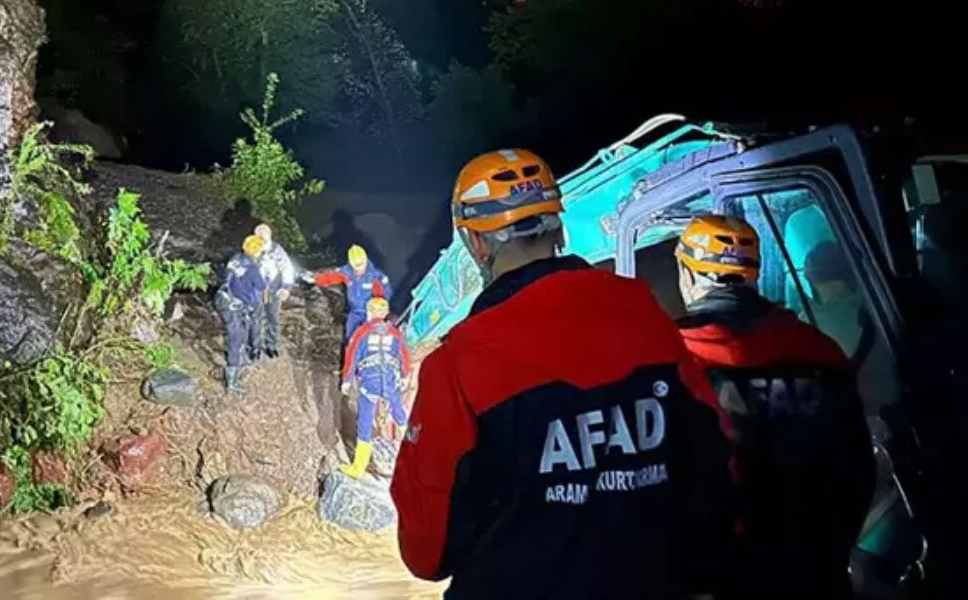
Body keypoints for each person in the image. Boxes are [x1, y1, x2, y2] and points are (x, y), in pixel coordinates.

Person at [391, 148, 731, 599]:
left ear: (476, 243)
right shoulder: (647, 318)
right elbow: (710, 468)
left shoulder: (459, 362)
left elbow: (426, 552)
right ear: (558, 225)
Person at [674, 215, 875, 599]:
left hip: (729, 576)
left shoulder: (676, 362)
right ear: (751, 274)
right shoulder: (820, 351)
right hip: (819, 568)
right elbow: (857, 466)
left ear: (687, 272)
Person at [340, 296, 411, 479]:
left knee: (364, 423)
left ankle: (358, 468)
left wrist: (346, 380)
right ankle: (411, 454)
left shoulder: (361, 332)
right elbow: (403, 355)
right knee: (400, 417)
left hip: (369, 385)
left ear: (369, 313)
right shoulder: (395, 333)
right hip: (390, 382)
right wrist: (404, 376)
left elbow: (352, 356)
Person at [215, 235, 266, 394]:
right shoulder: (252, 269)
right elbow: (261, 286)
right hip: (234, 306)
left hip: (223, 300)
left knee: (238, 334)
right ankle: (232, 380)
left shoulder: (235, 258)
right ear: (257, 252)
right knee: (236, 339)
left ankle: (238, 360)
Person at [313, 244, 391, 339]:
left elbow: (384, 297)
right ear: (351, 264)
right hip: (355, 312)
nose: (360, 269)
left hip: (371, 313)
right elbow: (332, 276)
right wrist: (317, 279)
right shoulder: (347, 272)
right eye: (357, 267)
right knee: (351, 335)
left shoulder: (375, 277)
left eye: (362, 265)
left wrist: (381, 314)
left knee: (369, 337)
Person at [253, 223, 295, 358]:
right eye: (259, 237)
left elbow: (287, 268)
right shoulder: (252, 248)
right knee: (256, 318)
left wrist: (286, 287)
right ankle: (255, 347)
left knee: (273, 318)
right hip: (257, 290)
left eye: (264, 238)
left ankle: (271, 345)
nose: (261, 241)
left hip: (274, 289)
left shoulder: (277, 250)